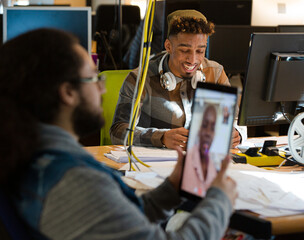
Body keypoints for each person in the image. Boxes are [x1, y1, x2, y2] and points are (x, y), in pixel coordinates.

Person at [0, 28, 238, 240]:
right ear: (68, 93)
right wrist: (219, 200)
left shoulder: (36, 157)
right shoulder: (69, 179)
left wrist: (171, 190)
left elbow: (112, 218)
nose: (102, 87)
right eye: (94, 77)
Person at [110, 9, 247, 150]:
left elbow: (236, 122)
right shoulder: (140, 78)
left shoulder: (215, 73)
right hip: (155, 165)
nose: (193, 60)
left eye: (200, 51)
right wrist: (161, 138)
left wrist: (237, 134)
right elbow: (118, 131)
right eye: (184, 50)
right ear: (168, 46)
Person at [182, 105, 218, 197]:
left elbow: (241, 127)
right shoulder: (188, 159)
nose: (208, 133)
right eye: (204, 126)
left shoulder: (215, 164)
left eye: (212, 128)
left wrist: (238, 134)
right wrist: (162, 136)